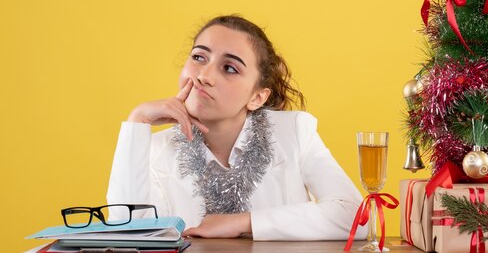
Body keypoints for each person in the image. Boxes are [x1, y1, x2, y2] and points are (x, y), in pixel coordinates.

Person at [106, 15, 365, 240]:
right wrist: (137, 121)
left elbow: (357, 218)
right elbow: (130, 231)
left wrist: (245, 222)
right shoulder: (154, 148)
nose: (204, 76)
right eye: (198, 57)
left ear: (257, 97)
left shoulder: (294, 132)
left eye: (229, 68)